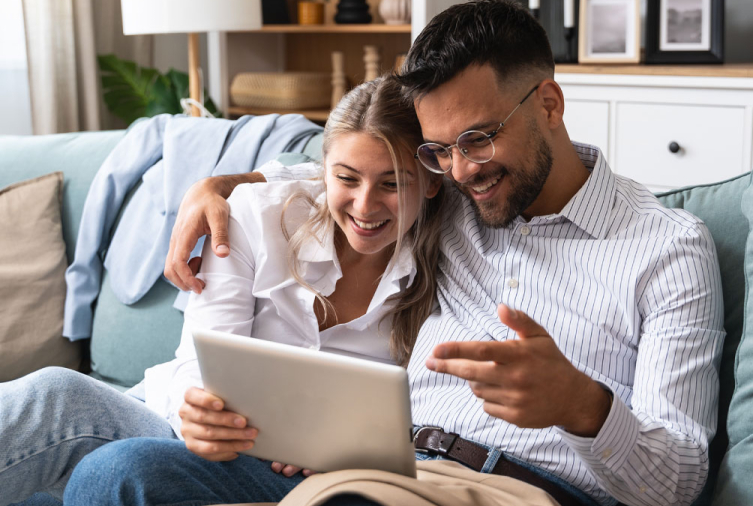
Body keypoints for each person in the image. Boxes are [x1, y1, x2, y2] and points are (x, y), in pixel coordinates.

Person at [64, 2, 725, 506]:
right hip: (377, 468)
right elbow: (353, 176)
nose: (461, 170)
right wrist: (221, 185)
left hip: (518, 489)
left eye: (477, 138)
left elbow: (681, 479)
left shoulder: (666, 249)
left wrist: (583, 405)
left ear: (548, 103)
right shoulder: (453, 198)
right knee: (116, 474)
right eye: (439, 152)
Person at [0, 75, 443, 506]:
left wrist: (345, 446)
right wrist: (194, 411)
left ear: (431, 182)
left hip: (311, 474)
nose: (365, 205)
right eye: (347, 179)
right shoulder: (256, 215)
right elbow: (199, 361)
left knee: (83, 440)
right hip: (187, 435)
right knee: (53, 401)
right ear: (323, 173)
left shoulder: (456, 258)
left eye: (393, 184)